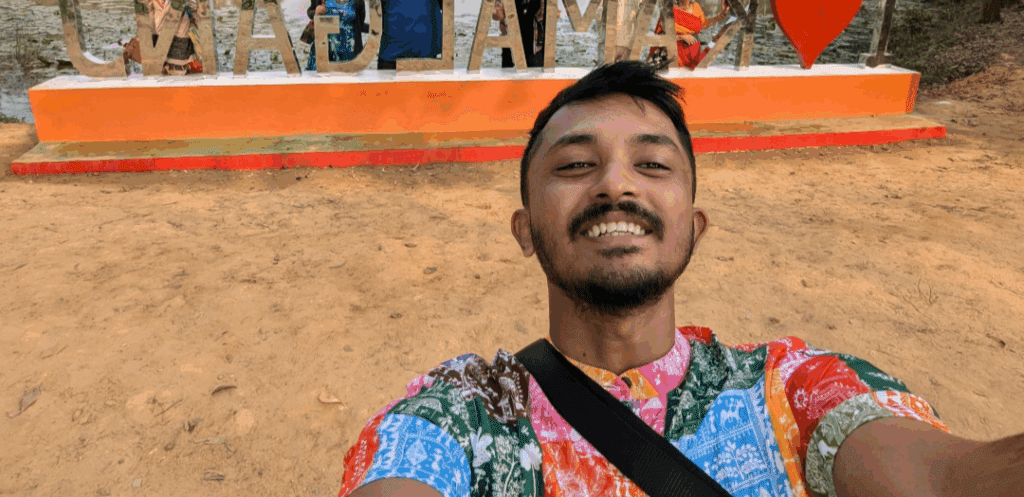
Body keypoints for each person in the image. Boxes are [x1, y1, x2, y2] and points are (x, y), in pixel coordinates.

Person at [338, 61, 1024, 497]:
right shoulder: (467, 413)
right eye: (576, 165)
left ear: (693, 227)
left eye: (653, 166)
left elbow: (937, 476)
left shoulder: (788, 388)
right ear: (525, 230)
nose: (614, 185)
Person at [123, 0, 200, 75]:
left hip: (178, 46)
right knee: (131, 49)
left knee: (176, 74)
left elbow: (200, 17)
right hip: (156, 43)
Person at [652, 0, 729, 70]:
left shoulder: (696, 7)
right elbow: (660, 37)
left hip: (693, 56)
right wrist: (681, 37)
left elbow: (704, 24)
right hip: (673, 57)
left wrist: (722, 15)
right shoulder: (669, 10)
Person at [305, 0, 368, 70]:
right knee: (320, 83)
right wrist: (315, 12)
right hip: (324, 48)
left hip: (349, 50)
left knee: (346, 84)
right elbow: (310, 12)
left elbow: (359, 25)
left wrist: (377, 29)